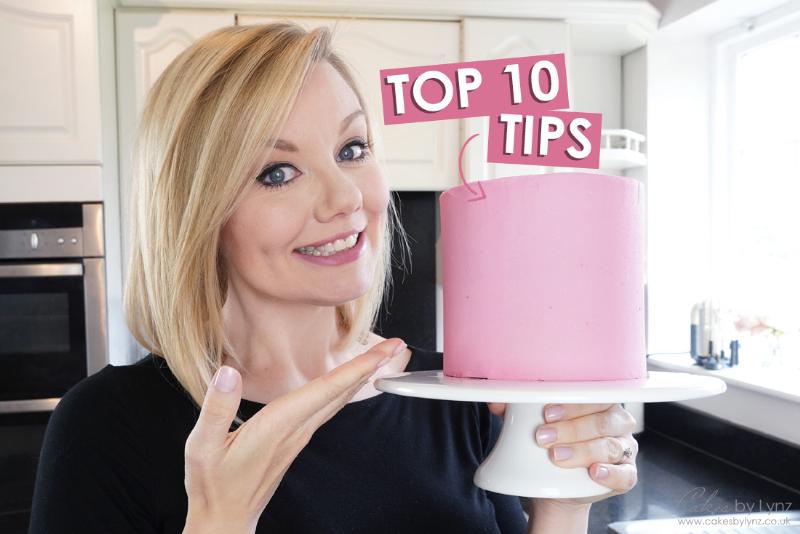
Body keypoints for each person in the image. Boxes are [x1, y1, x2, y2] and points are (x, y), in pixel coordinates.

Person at [28, 22, 639, 534]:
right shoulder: (108, 428)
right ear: (197, 212)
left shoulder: (458, 395)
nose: (346, 197)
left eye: (352, 149)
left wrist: (563, 499)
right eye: (277, 172)